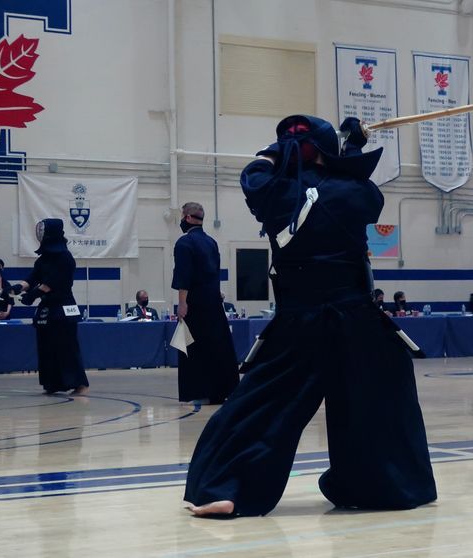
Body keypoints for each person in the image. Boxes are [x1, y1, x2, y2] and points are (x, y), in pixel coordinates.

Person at [183, 115, 436, 517]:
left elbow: (254, 174)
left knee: (261, 403)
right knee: (378, 396)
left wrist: (280, 150)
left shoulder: (274, 191)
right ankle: (383, 486)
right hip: (356, 318)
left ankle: (226, 486)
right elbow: (367, 192)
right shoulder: (355, 192)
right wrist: (349, 148)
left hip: (299, 320)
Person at [11, 219, 89, 395]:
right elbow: (32, 278)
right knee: (46, 346)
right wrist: (17, 287)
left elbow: (51, 283)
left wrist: (32, 295)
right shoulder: (43, 260)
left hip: (63, 307)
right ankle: (52, 383)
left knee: (66, 347)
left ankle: (79, 383)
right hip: (47, 309)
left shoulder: (65, 258)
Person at [171, 202, 239, 404]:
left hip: (195, 302)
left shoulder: (184, 244)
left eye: (183, 216)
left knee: (193, 346)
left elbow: (184, 275)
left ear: (189, 218)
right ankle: (223, 388)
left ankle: (197, 390)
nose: (182, 220)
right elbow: (215, 271)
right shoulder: (211, 242)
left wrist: (182, 303)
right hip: (213, 301)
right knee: (217, 345)